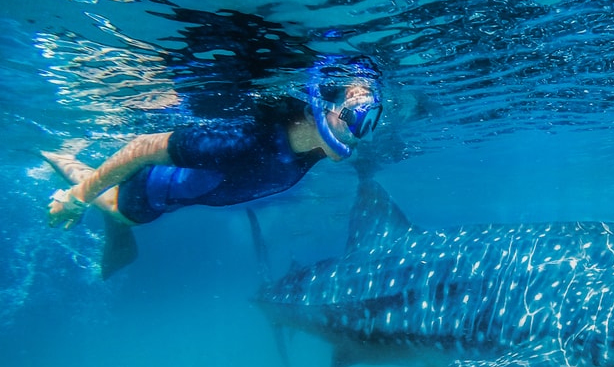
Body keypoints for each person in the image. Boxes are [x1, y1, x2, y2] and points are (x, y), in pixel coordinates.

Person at [43, 55, 384, 278]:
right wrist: (76, 199)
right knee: (117, 211)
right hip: (149, 193)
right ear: (313, 110)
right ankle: (58, 157)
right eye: (356, 117)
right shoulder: (243, 141)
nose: (361, 134)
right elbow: (139, 148)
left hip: (178, 195)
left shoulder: (316, 148)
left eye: (372, 119)